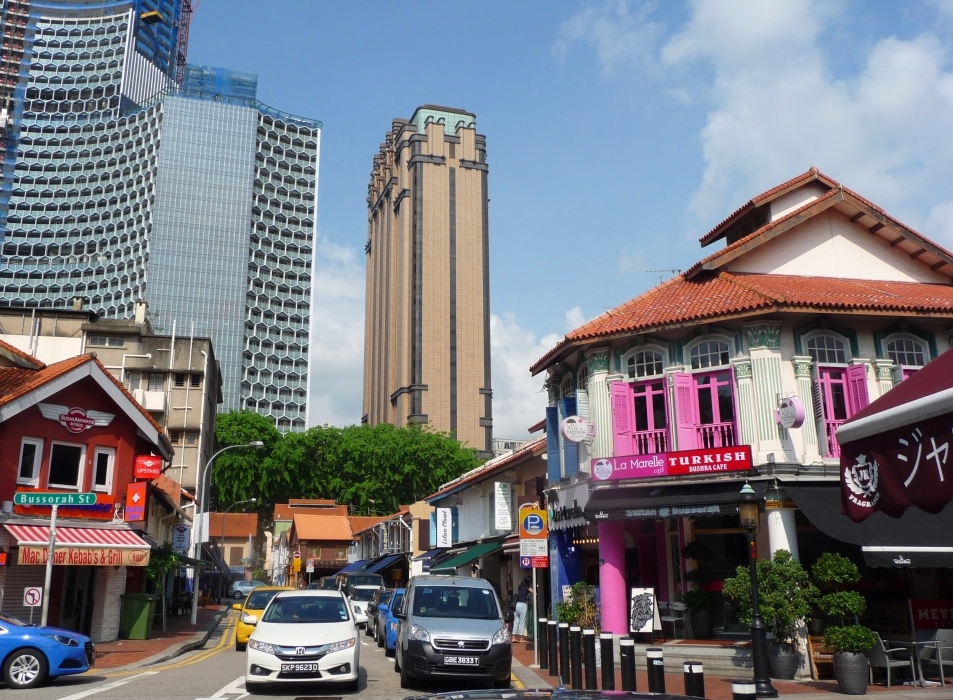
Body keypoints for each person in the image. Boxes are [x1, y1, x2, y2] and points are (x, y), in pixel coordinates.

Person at [512, 577, 533, 642]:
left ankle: (513, 637)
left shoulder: (520, 587)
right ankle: (521, 638)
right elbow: (534, 592)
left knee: (516, 621)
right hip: (523, 605)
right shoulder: (527, 587)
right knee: (522, 621)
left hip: (517, 604)